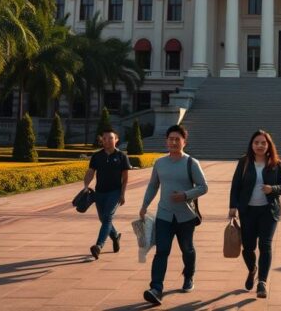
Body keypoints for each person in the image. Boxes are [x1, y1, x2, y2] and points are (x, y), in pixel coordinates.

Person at [139, 125, 209, 306]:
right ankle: (156, 288)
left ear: (184, 142)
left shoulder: (191, 163)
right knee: (161, 251)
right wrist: (144, 205)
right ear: (166, 141)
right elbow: (153, 186)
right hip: (164, 215)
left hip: (185, 216)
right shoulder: (160, 163)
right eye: (171, 139)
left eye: (177, 139)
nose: (173, 142)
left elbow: (203, 186)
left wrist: (185, 195)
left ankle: (189, 276)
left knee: (187, 249)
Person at [229, 130, 281, 299]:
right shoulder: (244, 162)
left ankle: (262, 281)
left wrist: (273, 188)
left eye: (263, 143)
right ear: (252, 145)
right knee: (248, 248)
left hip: (268, 211)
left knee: (265, 245)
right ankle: (252, 269)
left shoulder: (276, 164)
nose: (260, 146)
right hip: (247, 211)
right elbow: (236, 185)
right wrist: (233, 206)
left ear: (269, 145)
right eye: (257, 142)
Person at [82, 127, 131, 260]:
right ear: (101, 140)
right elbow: (91, 172)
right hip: (100, 193)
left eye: (110, 138)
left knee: (108, 216)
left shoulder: (122, 156)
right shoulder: (97, 156)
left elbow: (125, 178)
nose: (107, 141)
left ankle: (98, 246)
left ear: (116, 139)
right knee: (103, 219)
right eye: (104, 138)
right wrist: (86, 185)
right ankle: (115, 237)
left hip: (114, 192)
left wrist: (122, 194)